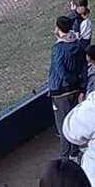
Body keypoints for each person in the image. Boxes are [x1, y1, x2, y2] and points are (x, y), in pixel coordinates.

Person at [49, 16, 88, 161]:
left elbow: (60, 71)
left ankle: (64, 159)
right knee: (74, 121)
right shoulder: (78, 45)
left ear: (59, 29)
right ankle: (75, 153)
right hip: (76, 90)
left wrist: (69, 81)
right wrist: (81, 88)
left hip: (60, 93)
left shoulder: (58, 49)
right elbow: (84, 68)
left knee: (63, 126)